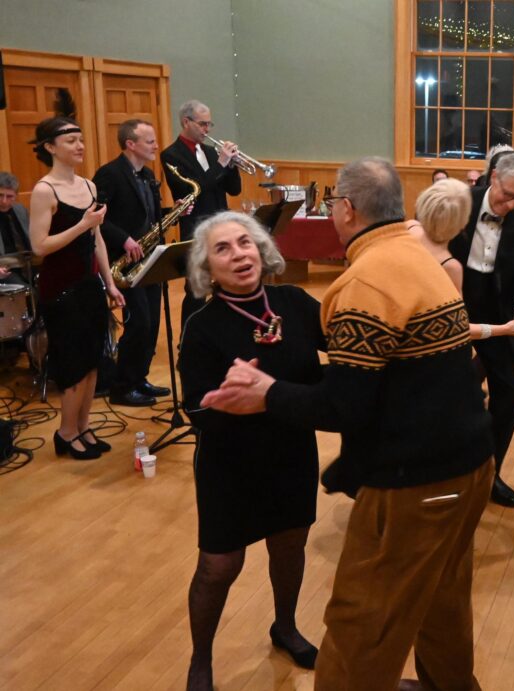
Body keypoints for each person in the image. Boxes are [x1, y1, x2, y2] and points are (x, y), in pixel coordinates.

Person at [200, 157, 495, 691]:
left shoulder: (367, 281)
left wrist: (269, 393)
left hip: (418, 480)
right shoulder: (417, 254)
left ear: (345, 209)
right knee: (441, 599)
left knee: (362, 618)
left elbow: (345, 407)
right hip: (469, 463)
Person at [178, 211, 323, 690]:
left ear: (261, 248)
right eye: (223, 249)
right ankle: (201, 661)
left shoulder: (296, 303)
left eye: (245, 242)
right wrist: (238, 406)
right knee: (220, 565)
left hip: (291, 449)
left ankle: (285, 625)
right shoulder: (202, 324)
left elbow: (340, 356)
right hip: (229, 460)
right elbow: (194, 408)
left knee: (289, 545)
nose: (239, 253)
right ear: (206, 269)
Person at [450, 152, 514, 508]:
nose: (510, 205)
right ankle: (446, 472)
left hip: (498, 305)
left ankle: (490, 474)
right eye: (507, 195)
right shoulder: (459, 204)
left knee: (509, 394)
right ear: (493, 177)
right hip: (452, 298)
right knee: (444, 388)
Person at [28, 105, 126, 461]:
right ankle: (65, 432)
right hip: (61, 289)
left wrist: (110, 283)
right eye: (71, 140)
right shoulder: (44, 190)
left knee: (93, 361)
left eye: (81, 139)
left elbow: (96, 239)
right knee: (73, 363)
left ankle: (83, 427)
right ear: (51, 147)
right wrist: (82, 225)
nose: (80, 145)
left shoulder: (88, 185)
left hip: (89, 285)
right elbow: (40, 247)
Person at [93, 119, 171, 407]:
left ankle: (140, 377)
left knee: (151, 324)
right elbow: (97, 218)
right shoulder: (109, 174)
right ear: (131, 144)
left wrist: (175, 212)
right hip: (122, 262)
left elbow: (150, 216)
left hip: (149, 259)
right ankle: (122, 387)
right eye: (150, 141)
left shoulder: (148, 175)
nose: (155, 146)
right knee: (138, 323)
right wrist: (123, 238)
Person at [408, 178, 514, 341]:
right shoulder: (450, 266)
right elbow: (458, 328)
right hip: (426, 346)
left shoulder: (409, 228)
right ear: (462, 222)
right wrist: (503, 329)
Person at [161, 100, 242, 325]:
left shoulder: (210, 151)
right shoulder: (171, 155)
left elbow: (234, 190)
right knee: (197, 290)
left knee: (227, 284)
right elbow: (192, 190)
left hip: (221, 226)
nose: (207, 129)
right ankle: (188, 338)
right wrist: (222, 163)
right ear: (186, 122)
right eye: (202, 124)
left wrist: (232, 165)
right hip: (195, 229)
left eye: (209, 124)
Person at [0, 171, 32, 287]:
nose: (4, 201)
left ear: (16, 196)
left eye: (9, 196)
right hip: (5, 268)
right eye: (0, 195)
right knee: (27, 293)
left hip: (27, 262)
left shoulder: (20, 210)